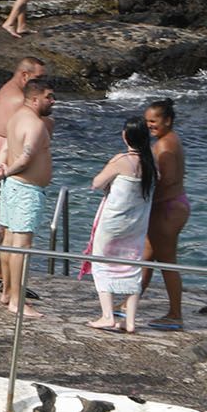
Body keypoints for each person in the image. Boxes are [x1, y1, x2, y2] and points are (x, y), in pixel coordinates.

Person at [84, 116, 157, 334]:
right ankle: (131, 321)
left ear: (126, 136)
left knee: (101, 263)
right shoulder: (151, 164)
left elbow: (96, 183)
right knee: (132, 266)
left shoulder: (121, 160)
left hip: (113, 223)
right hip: (136, 225)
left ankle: (107, 316)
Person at [0, 78, 55, 318]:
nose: (53, 101)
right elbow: (27, 157)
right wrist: (7, 170)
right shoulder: (36, 124)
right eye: (49, 96)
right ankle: (17, 301)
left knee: (9, 240)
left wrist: (2, 166)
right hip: (26, 189)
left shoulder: (16, 116)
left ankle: (7, 291)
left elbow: (7, 148)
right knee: (22, 246)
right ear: (35, 98)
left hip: (12, 187)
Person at [141, 98, 190, 328]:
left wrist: (144, 204)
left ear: (167, 120)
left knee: (168, 262)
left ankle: (175, 314)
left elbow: (168, 180)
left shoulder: (164, 145)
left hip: (168, 208)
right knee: (146, 257)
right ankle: (129, 302)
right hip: (172, 205)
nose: (149, 125)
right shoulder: (170, 139)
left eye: (153, 121)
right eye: (146, 121)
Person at [0, 57, 47, 189]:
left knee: (5, 206)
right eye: (38, 78)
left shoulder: (6, 90)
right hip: (5, 164)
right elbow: (40, 132)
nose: (42, 83)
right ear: (25, 75)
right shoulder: (20, 100)